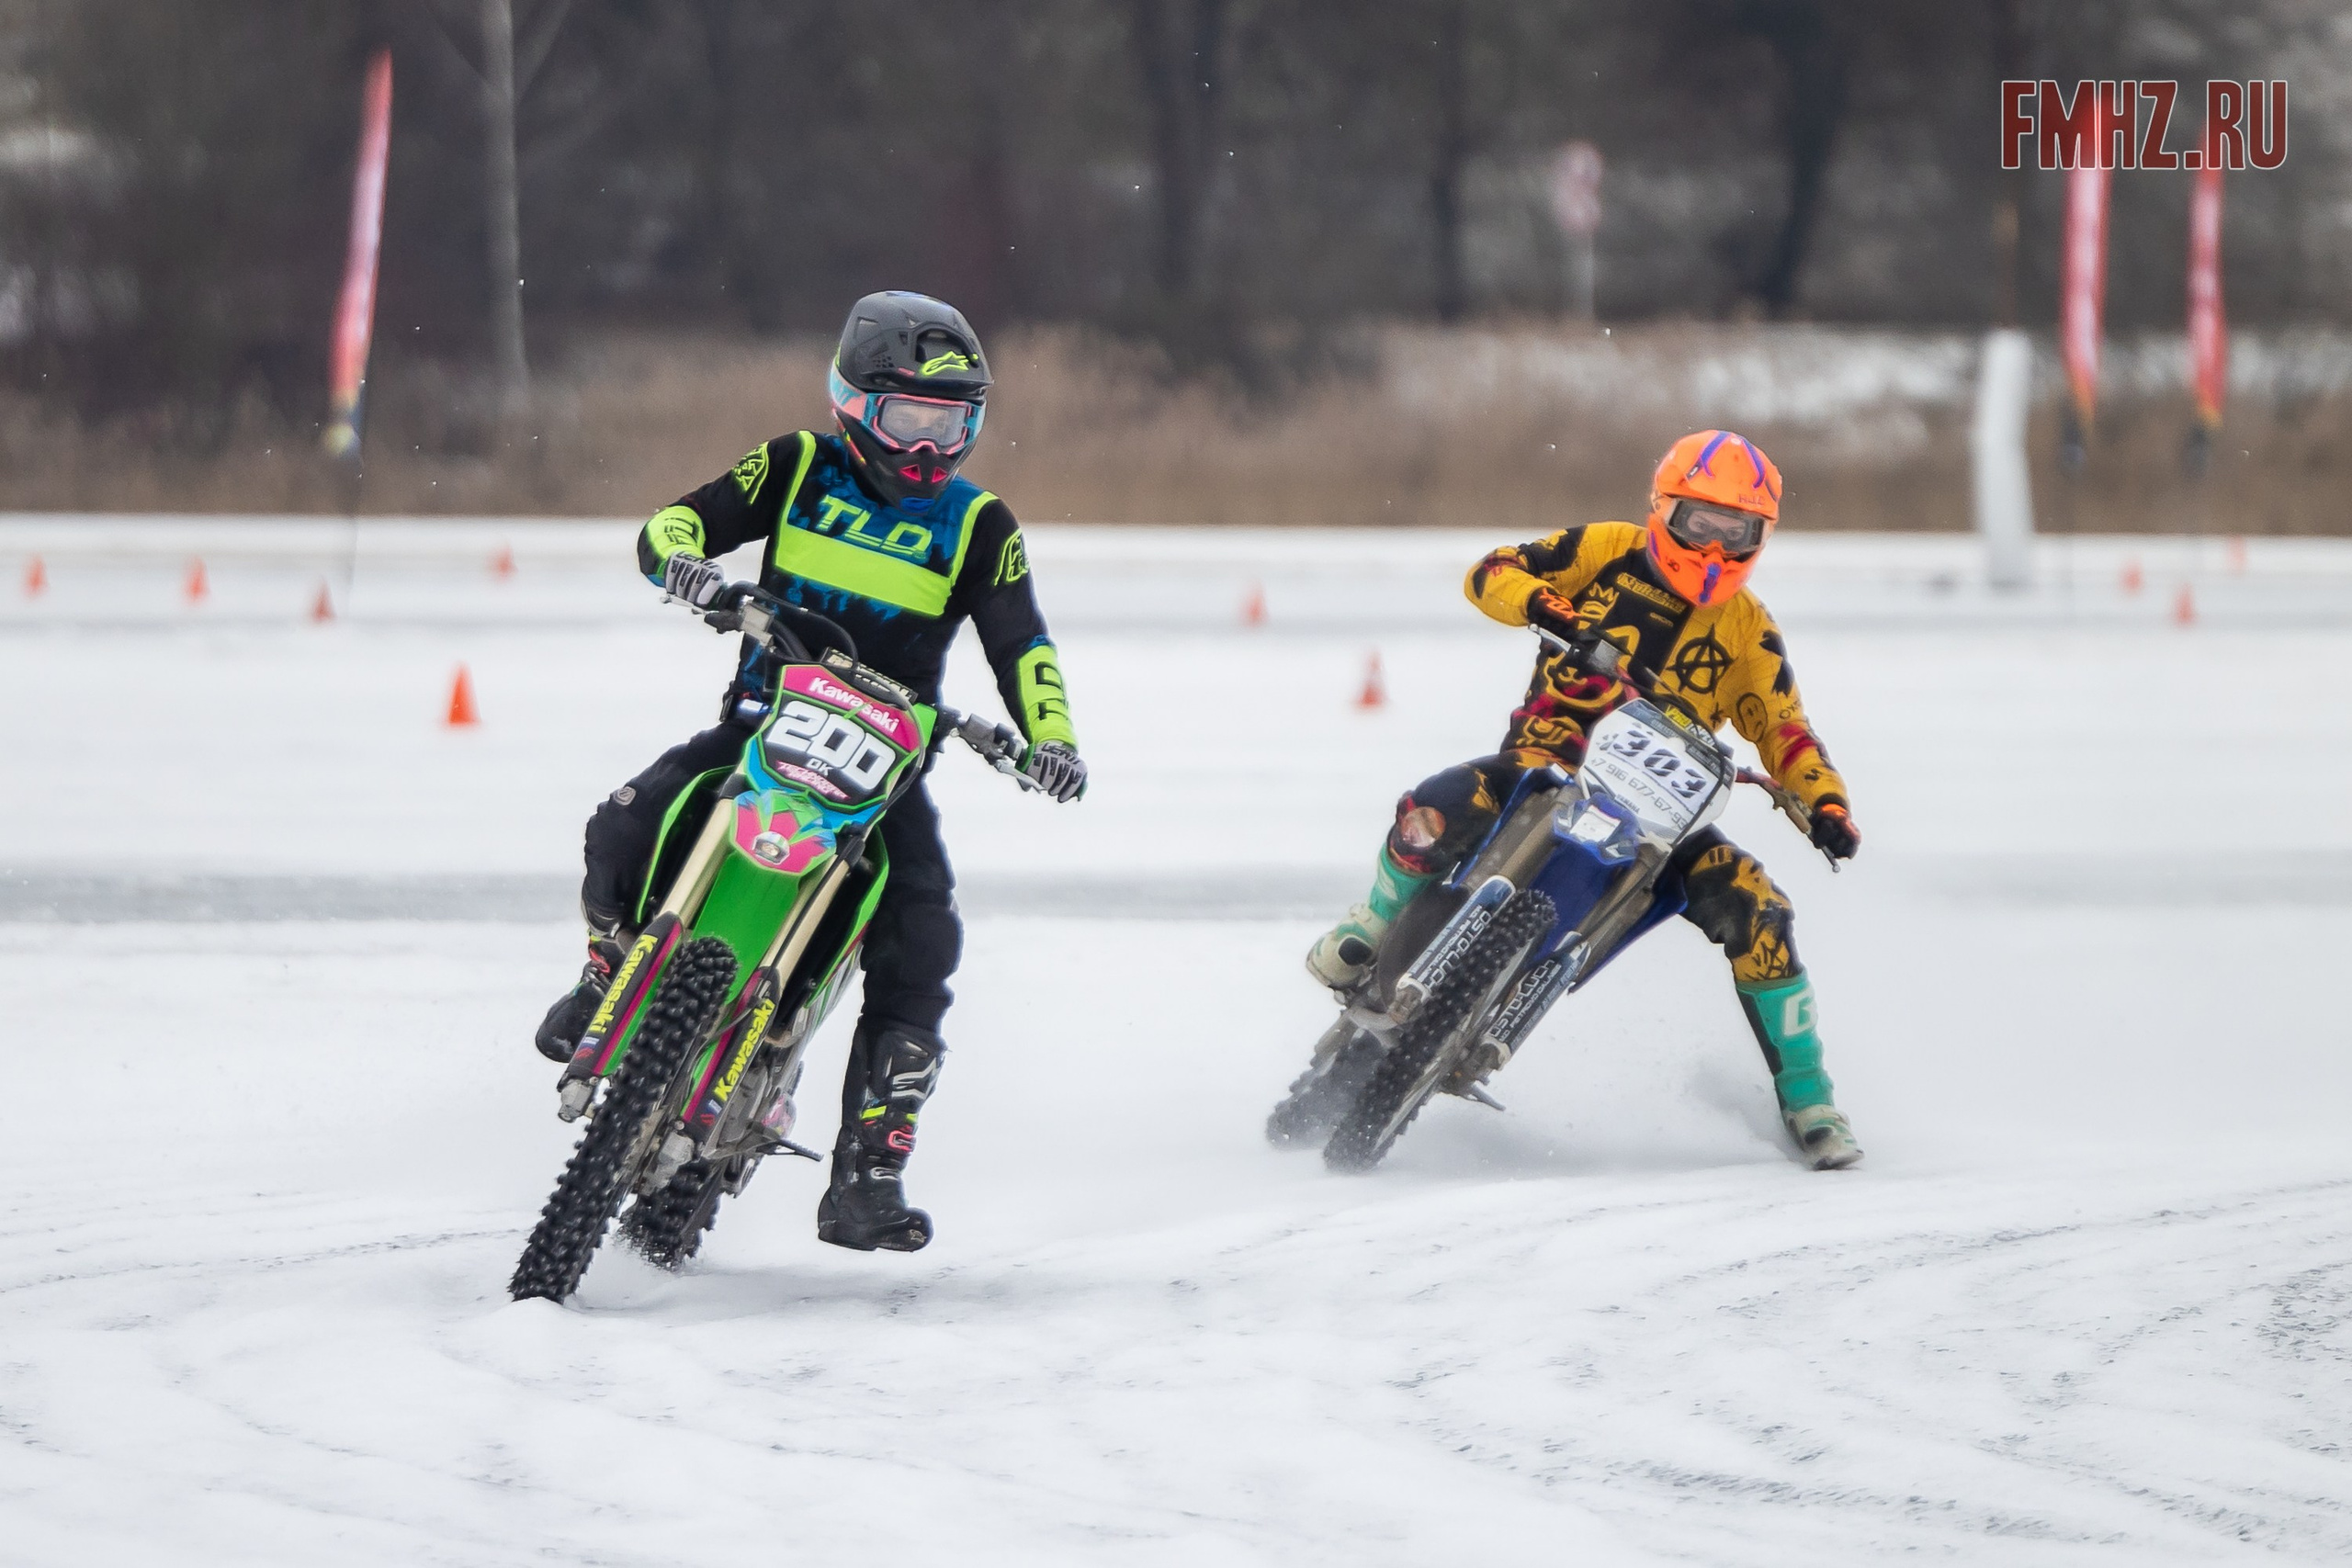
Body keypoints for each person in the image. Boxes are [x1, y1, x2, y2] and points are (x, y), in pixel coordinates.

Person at [535, 291, 1087, 1249]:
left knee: (925, 937)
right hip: (761, 723)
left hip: (884, 775)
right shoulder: (793, 465)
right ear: (852, 403)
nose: (928, 448)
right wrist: (689, 570)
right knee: (626, 821)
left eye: (951, 423)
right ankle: (603, 973)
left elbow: (1022, 646)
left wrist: (1054, 741)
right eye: (909, 419)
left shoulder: (982, 525)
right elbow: (674, 524)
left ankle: (868, 1171)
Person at [1305, 429, 1865, 1168]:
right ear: (1665, 508)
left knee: (1761, 908)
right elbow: (1490, 571)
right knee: (1437, 805)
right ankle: (1370, 926)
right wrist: (1543, 603)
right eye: (1702, 523)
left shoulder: (1749, 631)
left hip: (1660, 821)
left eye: (1739, 531)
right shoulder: (1603, 550)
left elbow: (1785, 729)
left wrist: (1825, 804)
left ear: (1762, 535)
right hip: (1546, 764)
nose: (1716, 545)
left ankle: (1810, 1095)